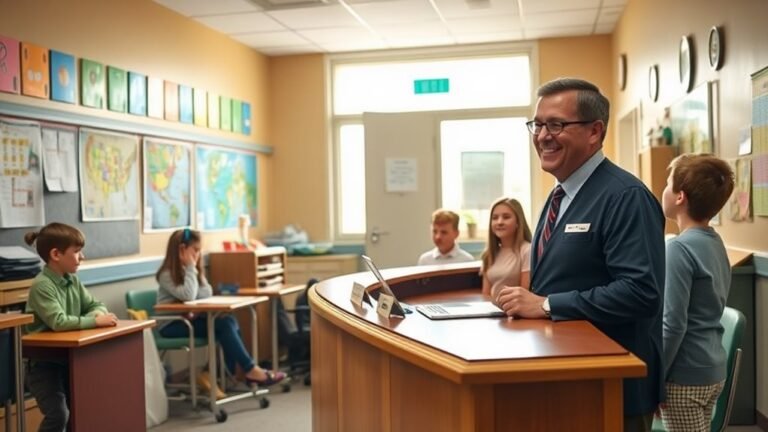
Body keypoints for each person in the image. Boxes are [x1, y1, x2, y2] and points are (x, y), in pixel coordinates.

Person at [494, 78, 666, 431]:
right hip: (570, 377)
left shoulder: (625, 197)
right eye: (537, 125)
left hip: (612, 387)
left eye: (556, 124)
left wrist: (544, 305)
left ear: (594, 132)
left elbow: (640, 292)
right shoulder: (560, 195)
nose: (542, 135)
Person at [156, 228, 285, 390]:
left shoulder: (192, 271)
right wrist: (190, 267)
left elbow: (206, 292)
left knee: (228, 320)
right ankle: (249, 370)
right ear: (181, 249)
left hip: (189, 320)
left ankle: (230, 375)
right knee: (224, 324)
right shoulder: (167, 274)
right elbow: (189, 295)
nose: (198, 255)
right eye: (195, 250)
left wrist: (194, 271)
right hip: (172, 325)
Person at [659, 154, 734, 431]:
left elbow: (673, 324)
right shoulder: (714, 242)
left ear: (680, 197)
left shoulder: (678, 249)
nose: (663, 189)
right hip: (712, 368)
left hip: (685, 376)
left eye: (667, 183)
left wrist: (657, 376)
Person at [24, 222, 119, 432]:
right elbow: (58, 322)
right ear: (56, 254)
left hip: (70, 358)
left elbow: (96, 305)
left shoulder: (72, 281)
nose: (82, 257)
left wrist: (96, 314)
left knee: (79, 412)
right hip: (44, 364)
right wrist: (95, 321)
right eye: (76, 252)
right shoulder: (42, 285)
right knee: (59, 415)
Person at [480, 197, 532, 298]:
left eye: (506, 217)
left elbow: (524, 294)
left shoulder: (527, 250)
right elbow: (485, 294)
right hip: (492, 311)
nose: (499, 222)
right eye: (495, 218)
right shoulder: (489, 253)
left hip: (515, 311)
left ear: (518, 222)